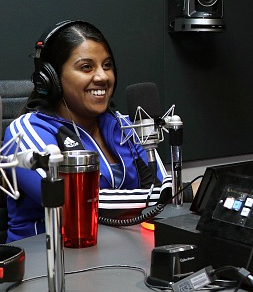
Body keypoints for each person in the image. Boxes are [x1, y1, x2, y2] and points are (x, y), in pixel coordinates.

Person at [2, 20, 172, 241]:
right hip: (46, 263)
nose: (102, 77)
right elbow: (76, 204)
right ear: (52, 78)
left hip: (122, 255)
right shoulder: (24, 132)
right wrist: (157, 199)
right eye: (86, 67)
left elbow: (163, 187)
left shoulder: (123, 125)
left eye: (107, 65)